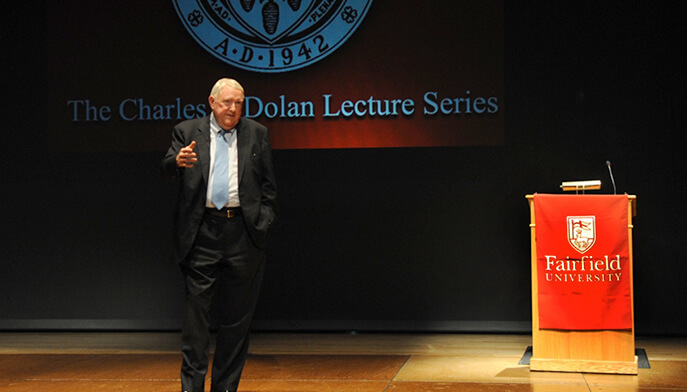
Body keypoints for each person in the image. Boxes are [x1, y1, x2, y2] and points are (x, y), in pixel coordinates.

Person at [161, 78, 277, 392]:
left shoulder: (257, 133)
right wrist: (178, 162)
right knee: (196, 321)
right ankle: (192, 389)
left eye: (239, 103)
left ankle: (225, 388)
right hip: (202, 233)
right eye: (227, 102)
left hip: (243, 234)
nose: (233, 109)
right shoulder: (187, 131)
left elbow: (269, 188)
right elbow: (169, 164)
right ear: (212, 102)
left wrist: (262, 224)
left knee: (236, 322)